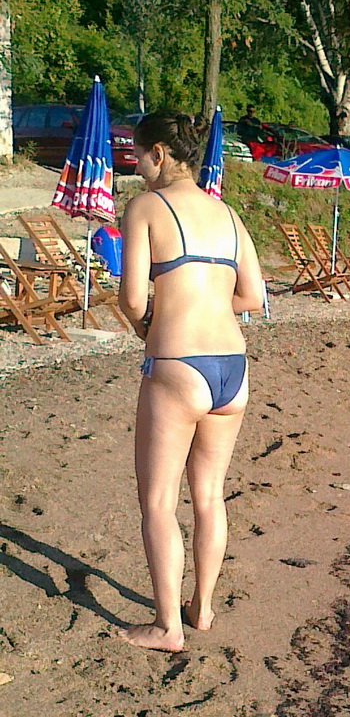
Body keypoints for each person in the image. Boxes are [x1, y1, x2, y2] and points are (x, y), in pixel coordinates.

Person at [117, 111, 265, 652]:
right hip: (232, 366)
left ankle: (166, 627)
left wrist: (148, 325)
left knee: (158, 501)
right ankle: (201, 607)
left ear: (158, 153)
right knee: (209, 495)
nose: (136, 166)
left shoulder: (146, 207)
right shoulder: (228, 213)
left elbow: (132, 298)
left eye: (138, 155)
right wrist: (208, 299)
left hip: (178, 363)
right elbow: (253, 296)